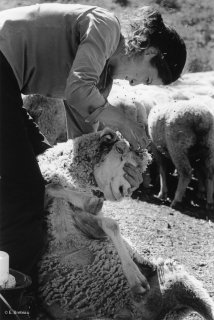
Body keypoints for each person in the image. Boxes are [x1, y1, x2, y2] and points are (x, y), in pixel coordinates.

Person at [0, 3, 186, 292]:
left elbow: (80, 154)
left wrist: (121, 177)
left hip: (8, 86)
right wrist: (122, 120)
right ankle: (10, 295)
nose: (137, 85)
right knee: (26, 190)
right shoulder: (106, 26)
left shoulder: (101, 82)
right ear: (150, 53)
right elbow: (77, 88)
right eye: (148, 78)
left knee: (45, 162)